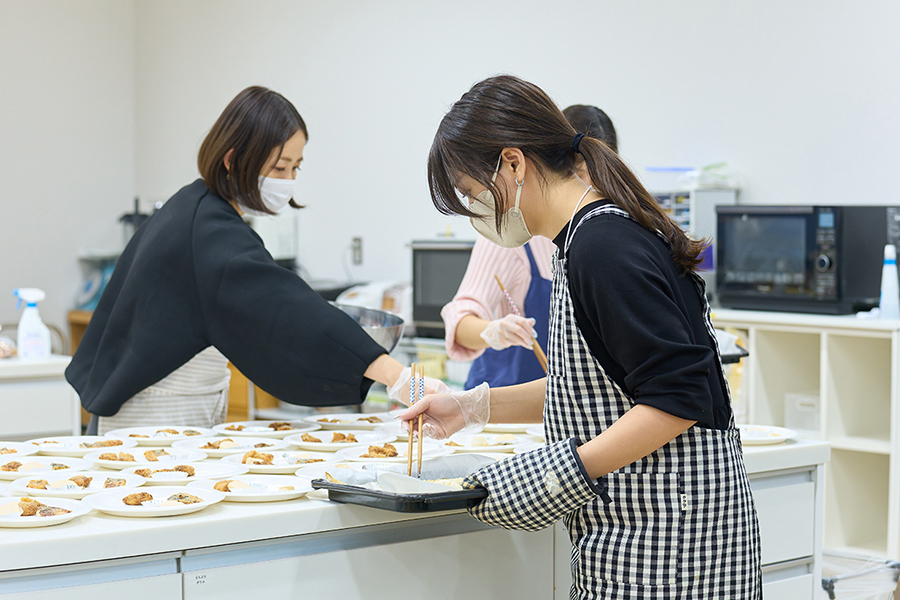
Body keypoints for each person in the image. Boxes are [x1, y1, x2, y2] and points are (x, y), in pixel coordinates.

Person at [403, 76, 761, 598]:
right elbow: (598, 385)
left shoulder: (603, 246)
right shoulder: (579, 244)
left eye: (471, 194)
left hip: (672, 543)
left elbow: (680, 397)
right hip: (642, 533)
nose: (475, 212)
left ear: (512, 163)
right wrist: (470, 407)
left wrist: (552, 475)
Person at [67, 86, 443, 434]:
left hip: (160, 402)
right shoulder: (209, 232)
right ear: (233, 159)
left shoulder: (192, 206)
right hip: (158, 411)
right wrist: (400, 378)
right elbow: (289, 309)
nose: (289, 180)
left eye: (296, 168)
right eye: (279, 168)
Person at [442, 105, 617, 389]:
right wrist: (493, 331)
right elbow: (459, 323)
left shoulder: (598, 239)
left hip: (564, 405)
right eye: (582, 177)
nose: (589, 190)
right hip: (508, 401)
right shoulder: (510, 235)